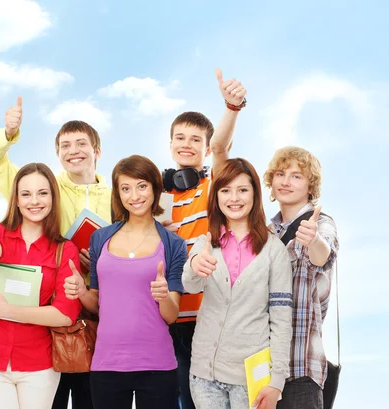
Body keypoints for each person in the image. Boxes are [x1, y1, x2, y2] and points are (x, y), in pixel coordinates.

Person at [0, 97, 111, 409]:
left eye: (81, 143)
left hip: (97, 311)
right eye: (65, 145)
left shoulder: (116, 192)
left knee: (90, 398)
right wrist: (8, 134)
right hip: (47, 313)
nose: (73, 150)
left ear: (97, 152)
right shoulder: (46, 188)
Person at [64, 155, 188, 409]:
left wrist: (163, 296)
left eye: (142, 186)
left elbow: (171, 316)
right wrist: (80, 291)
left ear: (155, 187)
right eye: (125, 188)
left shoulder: (173, 244)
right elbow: (97, 304)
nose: (135, 196)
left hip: (157, 364)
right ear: (118, 194)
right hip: (107, 364)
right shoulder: (100, 239)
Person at [0, 163, 82, 409]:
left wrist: (8, 311)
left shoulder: (64, 250)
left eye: (42, 193)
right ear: (15, 199)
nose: (34, 201)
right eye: (26, 194)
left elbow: (65, 314)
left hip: (38, 363)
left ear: (52, 198)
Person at [163, 68, 247, 409]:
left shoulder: (215, 183)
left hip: (207, 317)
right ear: (169, 144)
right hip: (169, 318)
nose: (187, 144)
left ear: (205, 148)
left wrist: (231, 107)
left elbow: (223, 147)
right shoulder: (156, 195)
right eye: (180, 138)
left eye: (195, 140)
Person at [183, 158, 292, 409]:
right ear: (216, 196)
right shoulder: (206, 242)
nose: (234, 198)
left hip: (251, 379)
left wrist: (277, 381)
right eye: (225, 190)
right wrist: (194, 266)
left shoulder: (274, 250)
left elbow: (281, 318)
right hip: (203, 375)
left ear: (255, 193)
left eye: (242, 190)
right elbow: (190, 285)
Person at [264, 147, 339, 409]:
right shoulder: (265, 231)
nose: (286, 181)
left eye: (296, 176)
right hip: (262, 368)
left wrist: (314, 240)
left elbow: (324, 255)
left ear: (310, 186)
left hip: (300, 367)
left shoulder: (321, 223)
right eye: (280, 174)